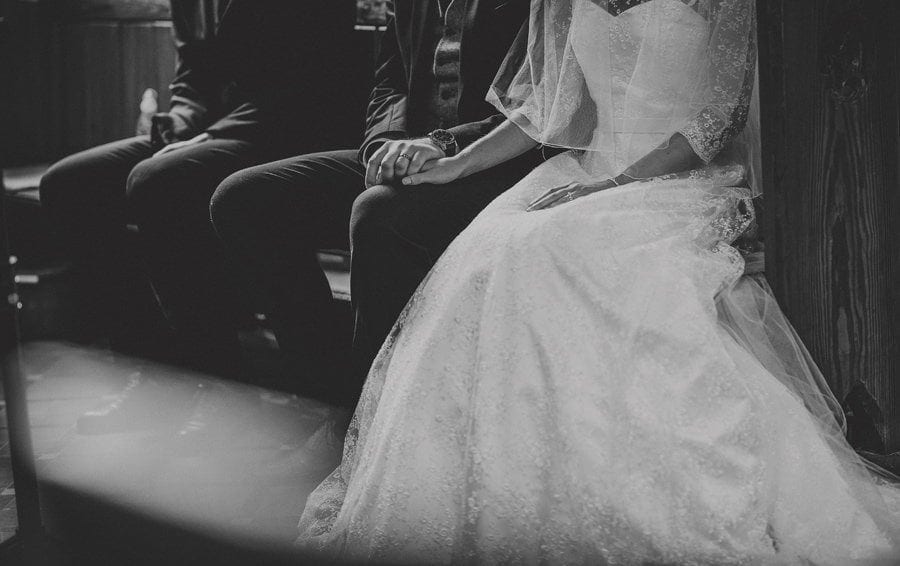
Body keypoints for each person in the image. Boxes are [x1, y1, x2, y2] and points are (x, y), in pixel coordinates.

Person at [296, 0, 900, 563]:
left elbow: (719, 118)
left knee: (556, 247)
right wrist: (453, 167)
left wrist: (613, 187)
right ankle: (509, 484)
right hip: (582, 171)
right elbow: (544, 112)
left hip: (669, 180)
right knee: (498, 246)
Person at [39, 1, 359, 434]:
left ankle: (220, 383)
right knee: (70, 185)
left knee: (158, 182)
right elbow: (194, 67)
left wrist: (212, 134)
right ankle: (155, 373)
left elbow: (313, 81)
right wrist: (184, 121)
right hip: (216, 128)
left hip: (292, 127)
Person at [210, 0, 540, 418]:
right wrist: (384, 144)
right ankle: (329, 394)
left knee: (379, 213)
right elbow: (391, 80)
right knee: (245, 199)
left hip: (498, 159)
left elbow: (548, 99)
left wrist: (446, 143)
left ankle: (371, 419)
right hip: (408, 151)